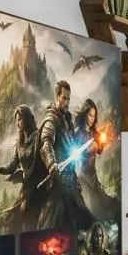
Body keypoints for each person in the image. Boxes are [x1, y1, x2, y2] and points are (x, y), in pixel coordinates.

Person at [37, 80, 93, 230]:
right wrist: (51, 164)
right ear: (57, 97)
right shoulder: (51, 121)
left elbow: (72, 142)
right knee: (50, 225)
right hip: (58, 182)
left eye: (68, 99)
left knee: (85, 221)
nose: (67, 102)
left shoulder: (67, 119)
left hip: (71, 180)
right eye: (64, 98)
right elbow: (46, 143)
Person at [0, 106, 47, 230]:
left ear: (27, 119)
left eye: (19, 119)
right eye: (16, 120)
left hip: (40, 185)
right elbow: (12, 166)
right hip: (27, 188)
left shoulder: (38, 138)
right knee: (11, 219)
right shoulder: (19, 143)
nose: (17, 123)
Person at [73, 97, 118, 217]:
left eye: (94, 116)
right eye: (90, 115)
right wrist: (86, 149)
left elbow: (99, 151)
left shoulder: (94, 134)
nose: (92, 119)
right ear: (84, 114)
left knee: (108, 205)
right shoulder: (77, 134)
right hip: (82, 178)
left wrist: (102, 144)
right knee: (93, 209)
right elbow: (74, 154)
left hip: (94, 177)